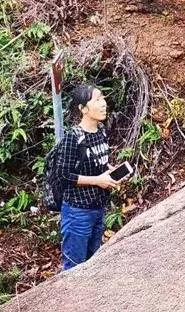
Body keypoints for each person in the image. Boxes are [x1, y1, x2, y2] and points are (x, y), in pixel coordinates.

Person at [55, 84, 118, 270]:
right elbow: (63, 175)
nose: (103, 103)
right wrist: (98, 181)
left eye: (103, 98)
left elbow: (96, 161)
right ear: (83, 109)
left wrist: (109, 170)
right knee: (74, 268)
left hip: (98, 208)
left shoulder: (101, 131)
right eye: (97, 100)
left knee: (93, 265)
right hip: (78, 213)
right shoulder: (72, 138)